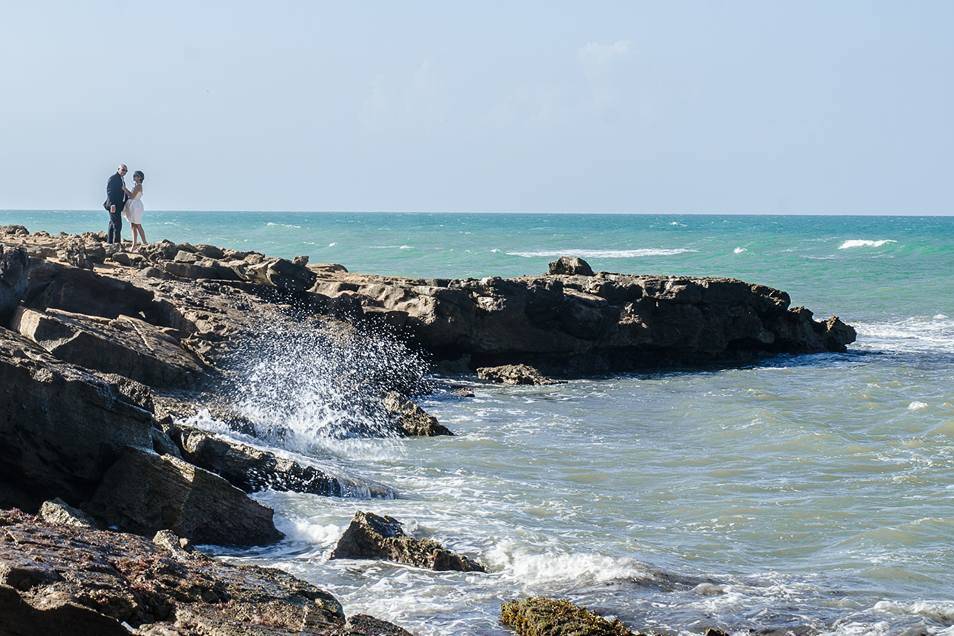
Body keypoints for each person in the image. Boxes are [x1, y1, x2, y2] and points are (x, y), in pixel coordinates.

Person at [123, 170, 147, 251]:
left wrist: (124, 189)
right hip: (132, 206)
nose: (134, 177)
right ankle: (134, 244)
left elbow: (132, 196)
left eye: (136, 176)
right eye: (134, 176)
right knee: (133, 226)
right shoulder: (136, 185)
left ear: (140, 177)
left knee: (138, 224)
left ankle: (145, 243)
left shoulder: (139, 186)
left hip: (135, 207)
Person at [105, 164, 128, 244]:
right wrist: (112, 204)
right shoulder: (113, 178)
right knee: (117, 225)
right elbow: (110, 192)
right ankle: (117, 244)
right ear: (118, 169)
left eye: (126, 171)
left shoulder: (121, 179)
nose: (124, 172)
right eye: (123, 170)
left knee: (112, 224)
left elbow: (122, 193)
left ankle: (110, 242)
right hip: (113, 205)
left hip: (119, 205)